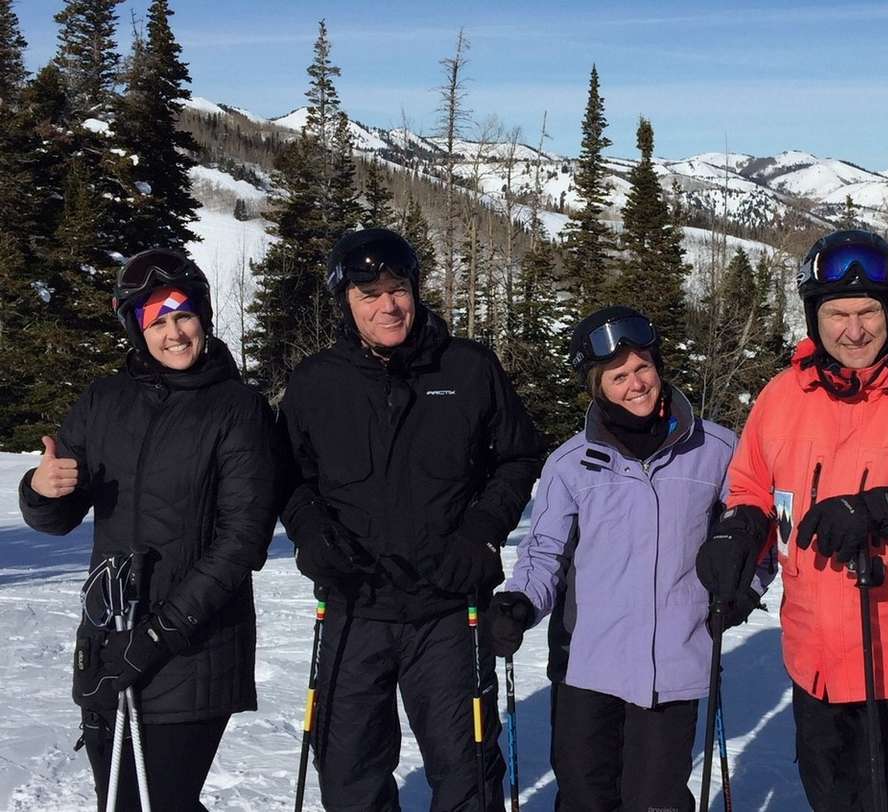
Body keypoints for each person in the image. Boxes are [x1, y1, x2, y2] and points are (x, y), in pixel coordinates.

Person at [696, 229, 888, 810]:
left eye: (868, 312)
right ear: (814, 316)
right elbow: (752, 484)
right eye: (837, 313)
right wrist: (741, 527)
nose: (853, 331)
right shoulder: (782, 397)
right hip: (816, 663)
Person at [279, 227, 542, 811]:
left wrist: (480, 533)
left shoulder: (467, 368)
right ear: (346, 301)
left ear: (416, 290)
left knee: (467, 771)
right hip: (354, 604)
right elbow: (289, 477)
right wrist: (312, 533)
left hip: (447, 607)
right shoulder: (317, 382)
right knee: (348, 773)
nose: (388, 306)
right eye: (369, 294)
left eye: (398, 289)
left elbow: (519, 456)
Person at [18, 248, 278, 810]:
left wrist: (159, 635)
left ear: (203, 316)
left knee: (159, 802)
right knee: (119, 802)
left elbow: (242, 540)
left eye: (183, 316)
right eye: (158, 322)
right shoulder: (104, 401)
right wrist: (41, 491)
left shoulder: (238, 408)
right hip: (108, 640)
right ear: (137, 329)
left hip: (193, 648)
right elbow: (57, 516)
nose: (174, 334)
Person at [485, 305, 773, 811]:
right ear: (597, 387)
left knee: (656, 801)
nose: (636, 384)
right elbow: (545, 551)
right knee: (585, 799)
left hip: (675, 663)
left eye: (643, 368)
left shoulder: (717, 449)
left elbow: (759, 533)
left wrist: (743, 592)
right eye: (618, 376)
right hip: (585, 666)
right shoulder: (570, 463)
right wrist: (520, 603)